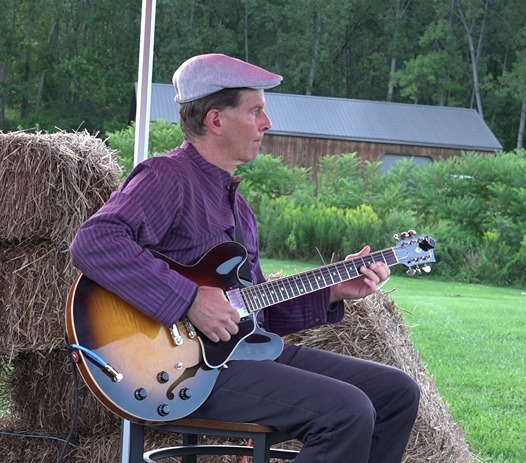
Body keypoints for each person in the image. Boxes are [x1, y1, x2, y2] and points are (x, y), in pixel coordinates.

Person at [70, 53, 420, 462]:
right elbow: (95, 241)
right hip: (185, 370)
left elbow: (255, 313)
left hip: (244, 352)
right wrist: (188, 300)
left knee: (397, 392)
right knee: (346, 411)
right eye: (256, 111)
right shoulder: (167, 177)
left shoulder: (241, 211)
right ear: (216, 120)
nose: (266, 125)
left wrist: (332, 292)